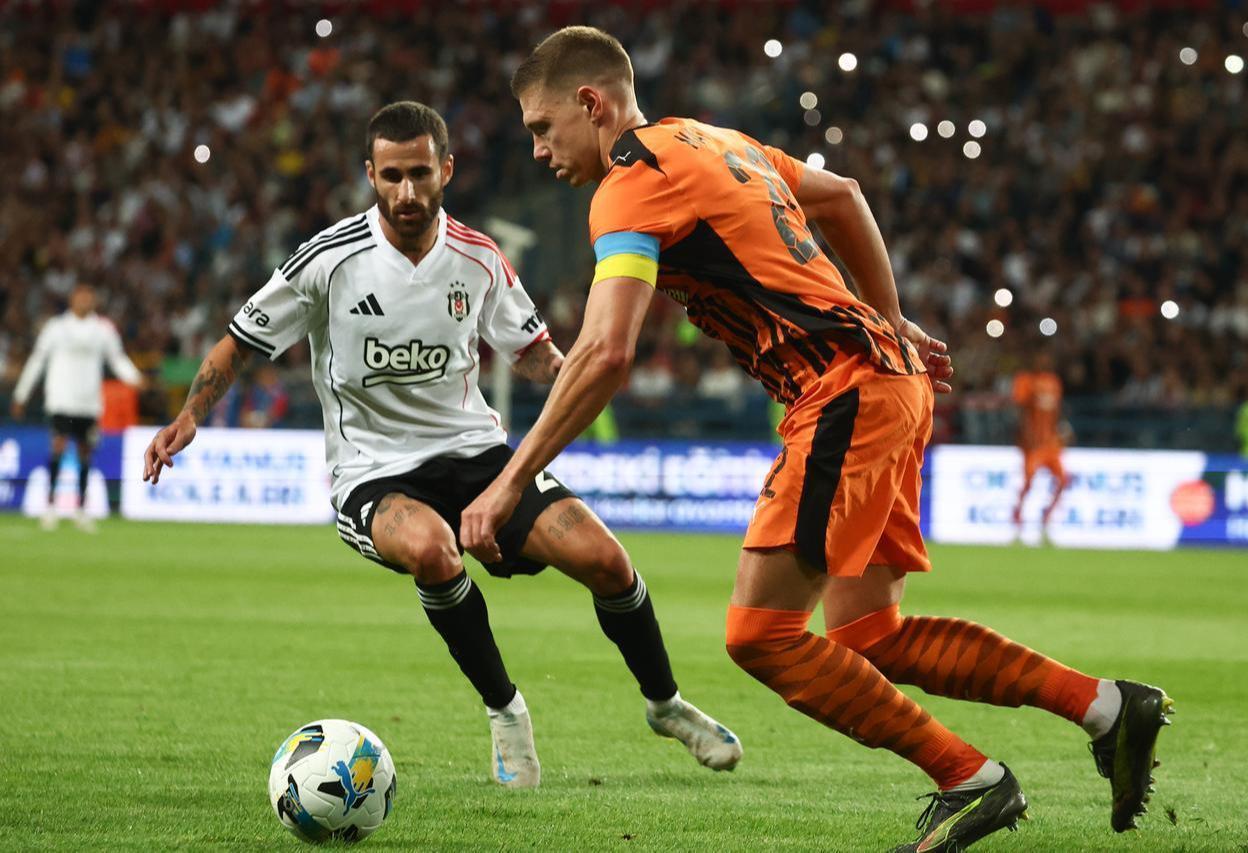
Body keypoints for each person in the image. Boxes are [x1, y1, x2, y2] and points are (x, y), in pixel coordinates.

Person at [460, 27, 1172, 850]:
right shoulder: (714, 139)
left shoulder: (628, 186)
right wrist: (890, 317)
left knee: (761, 634)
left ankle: (971, 778)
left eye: (542, 127)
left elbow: (606, 350)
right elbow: (846, 197)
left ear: (592, 104)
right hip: (885, 382)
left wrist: (510, 480)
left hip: (842, 395)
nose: (540, 149)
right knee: (873, 635)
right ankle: (1108, 707)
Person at [141, 101, 740, 790]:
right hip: (372, 472)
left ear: (446, 170)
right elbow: (240, 341)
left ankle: (665, 705)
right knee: (431, 548)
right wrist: (190, 415)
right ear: (370, 174)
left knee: (605, 558)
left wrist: (578, 369)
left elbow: (535, 353)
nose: (406, 192)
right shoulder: (327, 262)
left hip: (476, 453)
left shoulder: (479, 259)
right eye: (390, 175)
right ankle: (505, 711)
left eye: (420, 173)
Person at [11, 283, 144, 532]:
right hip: (61, 399)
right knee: (59, 446)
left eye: (88, 297)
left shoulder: (102, 330)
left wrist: (135, 378)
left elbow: (116, 358)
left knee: (85, 452)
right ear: (72, 300)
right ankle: (50, 506)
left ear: (93, 301)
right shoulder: (56, 328)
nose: (84, 301)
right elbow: (37, 360)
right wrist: (21, 394)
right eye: (80, 297)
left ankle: (81, 509)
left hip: (89, 402)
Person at [1010, 352, 1071, 537]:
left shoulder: (1054, 381)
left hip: (1051, 443)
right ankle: (1018, 515)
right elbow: (1021, 411)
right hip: (1033, 445)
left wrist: (1063, 429)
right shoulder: (1025, 380)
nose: (1043, 360)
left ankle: (1047, 516)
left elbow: (1057, 411)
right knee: (1028, 482)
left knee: (1063, 480)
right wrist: (1027, 437)